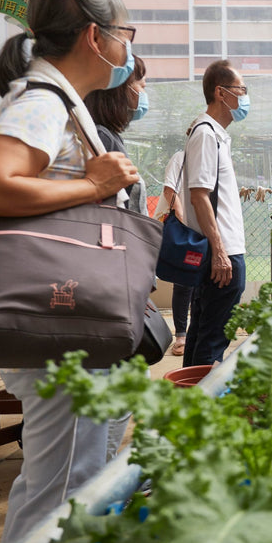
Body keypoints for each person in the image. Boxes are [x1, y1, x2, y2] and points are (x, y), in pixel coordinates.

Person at [0, 0, 140, 543]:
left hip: (70, 325)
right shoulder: (42, 103)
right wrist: (92, 185)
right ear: (95, 36)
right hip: (58, 330)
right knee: (62, 493)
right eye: (124, 33)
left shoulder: (62, 103)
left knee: (65, 483)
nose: (127, 47)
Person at [84, 54, 152, 461]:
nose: (141, 93)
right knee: (118, 389)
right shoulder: (102, 140)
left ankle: (99, 480)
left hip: (111, 282)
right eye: (139, 83)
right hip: (111, 285)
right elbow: (113, 221)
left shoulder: (103, 135)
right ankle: (100, 489)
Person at [180, 60, 247, 367]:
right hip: (223, 254)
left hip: (223, 251)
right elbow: (199, 196)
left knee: (204, 331)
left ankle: (188, 404)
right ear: (221, 93)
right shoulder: (206, 134)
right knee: (213, 336)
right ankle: (200, 407)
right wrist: (220, 252)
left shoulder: (214, 134)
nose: (245, 97)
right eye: (241, 90)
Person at [84, 54, 149, 214]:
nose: (144, 94)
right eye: (142, 86)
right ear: (120, 90)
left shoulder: (109, 136)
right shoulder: (102, 137)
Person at [156, 150, 191, 357]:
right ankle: (181, 335)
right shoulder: (180, 157)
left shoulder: (217, 156)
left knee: (202, 282)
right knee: (184, 281)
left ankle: (194, 331)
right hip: (185, 228)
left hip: (206, 227)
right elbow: (170, 191)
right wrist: (184, 220)